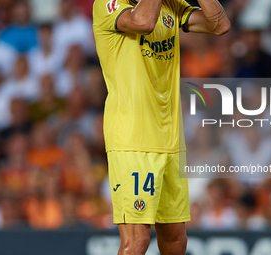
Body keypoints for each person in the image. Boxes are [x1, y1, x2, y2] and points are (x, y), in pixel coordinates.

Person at [92, 0, 230, 254]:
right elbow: (143, 22)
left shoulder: (170, 5)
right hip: (132, 139)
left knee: (176, 238)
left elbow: (220, 24)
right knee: (137, 239)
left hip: (170, 138)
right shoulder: (108, 4)